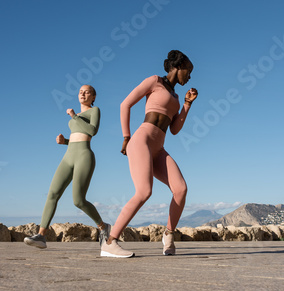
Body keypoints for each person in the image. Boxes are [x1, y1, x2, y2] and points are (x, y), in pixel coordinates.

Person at [101, 50, 198, 258]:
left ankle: (168, 235)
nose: (189, 76)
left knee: (180, 189)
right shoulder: (154, 81)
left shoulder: (176, 96)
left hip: (158, 148)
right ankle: (110, 242)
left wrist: (187, 105)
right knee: (144, 191)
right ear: (178, 67)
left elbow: (174, 129)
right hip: (141, 141)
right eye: (188, 71)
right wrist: (126, 137)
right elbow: (125, 104)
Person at [24, 85, 110, 249]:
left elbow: (92, 131)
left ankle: (103, 227)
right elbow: (76, 138)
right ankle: (41, 236)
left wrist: (74, 116)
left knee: (78, 200)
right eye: (80, 92)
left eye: (87, 92)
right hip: (68, 156)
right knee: (53, 193)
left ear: (93, 97)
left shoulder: (94, 111)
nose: (83, 94)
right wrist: (65, 142)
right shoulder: (73, 119)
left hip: (84, 156)